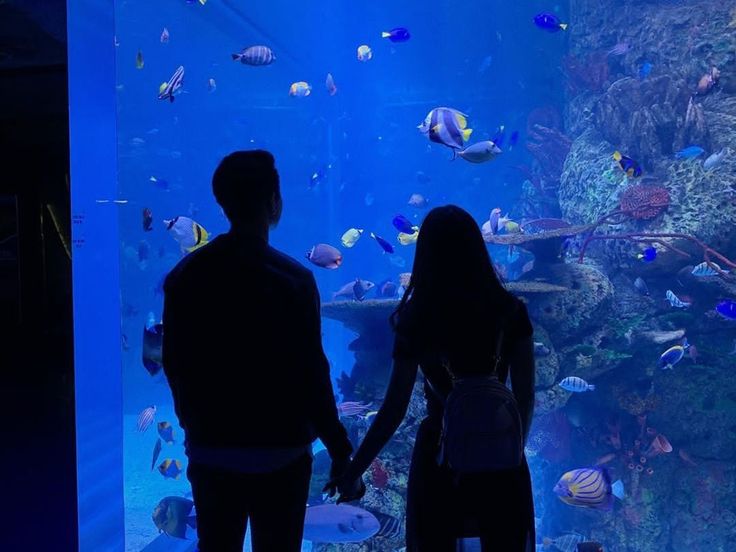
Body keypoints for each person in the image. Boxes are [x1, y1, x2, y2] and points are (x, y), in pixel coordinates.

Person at [162, 150, 354, 552]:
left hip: (213, 450)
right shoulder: (295, 281)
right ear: (273, 202)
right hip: (281, 453)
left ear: (222, 202)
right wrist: (339, 448)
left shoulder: (186, 278)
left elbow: (175, 363)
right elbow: (312, 374)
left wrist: (193, 427)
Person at [327, 205, 536, 551]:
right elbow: (526, 395)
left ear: (425, 257)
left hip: (440, 455)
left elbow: (394, 408)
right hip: (502, 452)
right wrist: (513, 446)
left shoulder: (416, 319)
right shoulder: (510, 311)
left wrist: (354, 470)